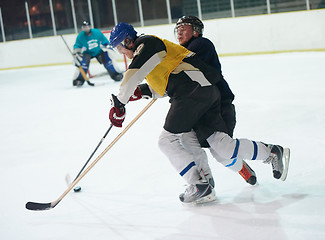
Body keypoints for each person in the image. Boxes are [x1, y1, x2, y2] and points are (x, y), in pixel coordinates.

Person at [107, 22, 290, 204]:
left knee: (167, 140)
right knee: (208, 143)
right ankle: (268, 154)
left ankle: (199, 184)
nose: (121, 52)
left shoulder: (147, 44)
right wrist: (142, 92)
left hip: (191, 93)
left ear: (128, 41)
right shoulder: (152, 51)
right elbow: (164, 85)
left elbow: (134, 73)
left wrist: (119, 104)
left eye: (119, 47)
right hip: (202, 92)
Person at [173, 16, 257, 187]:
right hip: (203, 108)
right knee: (205, 147)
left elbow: (186, 67)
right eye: (178, 28)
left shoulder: (201, 44)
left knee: (221, 151)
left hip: (220, 105)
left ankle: (258, 158)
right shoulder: (184, 51)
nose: (180, 31)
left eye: (184, 27)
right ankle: (206, 180)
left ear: (196, 31)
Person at [72, 21, 123, 86]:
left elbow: (104, 40)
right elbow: (77, 45)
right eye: (84, 27)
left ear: (89, 26)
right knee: (82, 64)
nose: (85, 28)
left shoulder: (97, 32)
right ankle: (78, 80)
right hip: (87, 53)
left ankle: (116, 75)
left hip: (98, 51)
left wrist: (107, 45)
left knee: (108, 61)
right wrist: (76, 52)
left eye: (86, 27)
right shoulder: (80, 36)